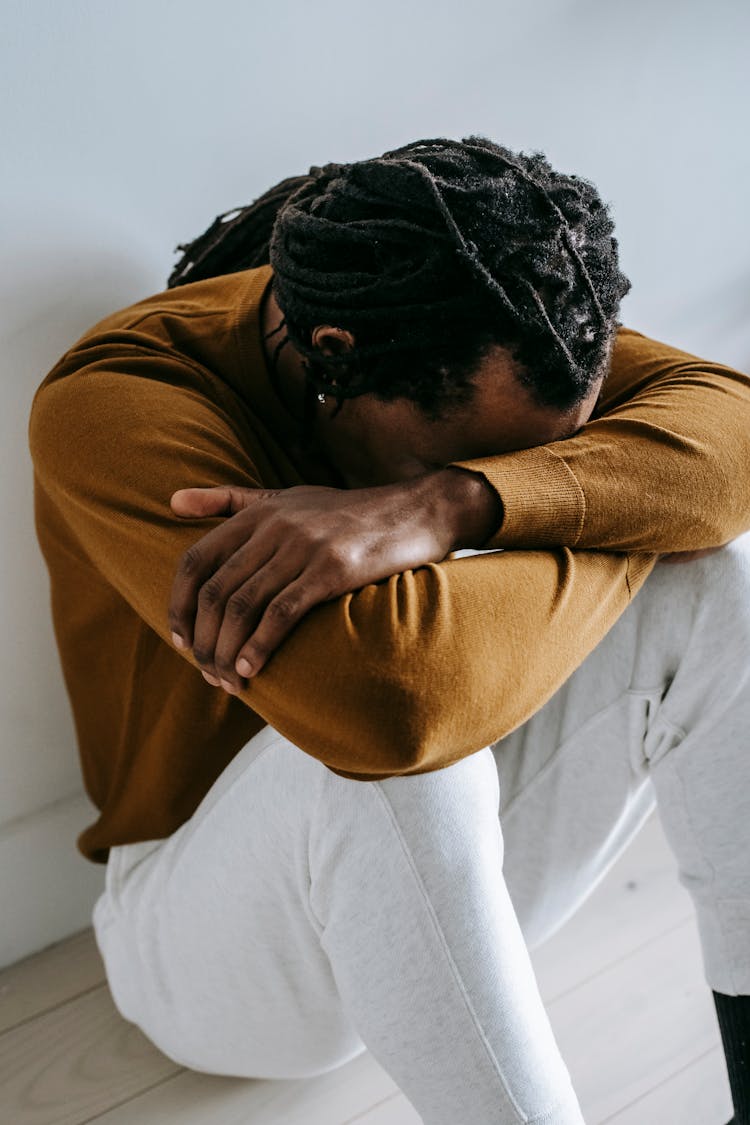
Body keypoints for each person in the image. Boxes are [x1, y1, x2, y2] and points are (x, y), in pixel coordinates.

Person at [29, 136, 750, 1124]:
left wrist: (450, 503)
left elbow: (734, 445)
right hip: (208, 946)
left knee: (716, 580)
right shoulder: (118, 398)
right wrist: (634, 512)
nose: (531, 471)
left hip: (447, 885)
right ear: (334, 359)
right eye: (475, 458)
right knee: (388, 765)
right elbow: (383, 702)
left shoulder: (506, 320)